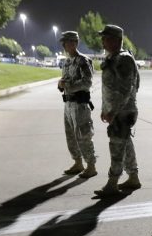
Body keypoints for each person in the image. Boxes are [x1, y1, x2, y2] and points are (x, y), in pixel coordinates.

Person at [93, 24, 141, 198]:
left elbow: (124, 90)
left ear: (117, 40)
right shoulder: (113, 58)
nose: (103, 41)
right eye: (103, 38)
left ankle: (112, 183)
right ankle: (133, 177)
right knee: (125, 144)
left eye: (106, 38)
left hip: (123, 112)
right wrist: (105, 109)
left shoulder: (124, 59)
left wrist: (112, 111)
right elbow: (109, 89)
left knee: (116, 147)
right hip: (117, 111)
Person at [58, 30, 98, 178]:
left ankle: (91, 166)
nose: (65, 45)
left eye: (68, 41)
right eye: (64, 42)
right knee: (71, 136)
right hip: (68, 104)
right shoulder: (67, 62)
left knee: (83, 135)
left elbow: (87, 82)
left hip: (80, 105)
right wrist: (61, 84)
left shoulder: (83, 60)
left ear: (75, 43)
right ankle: (78, 162)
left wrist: (68, 85)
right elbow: (64, 80)